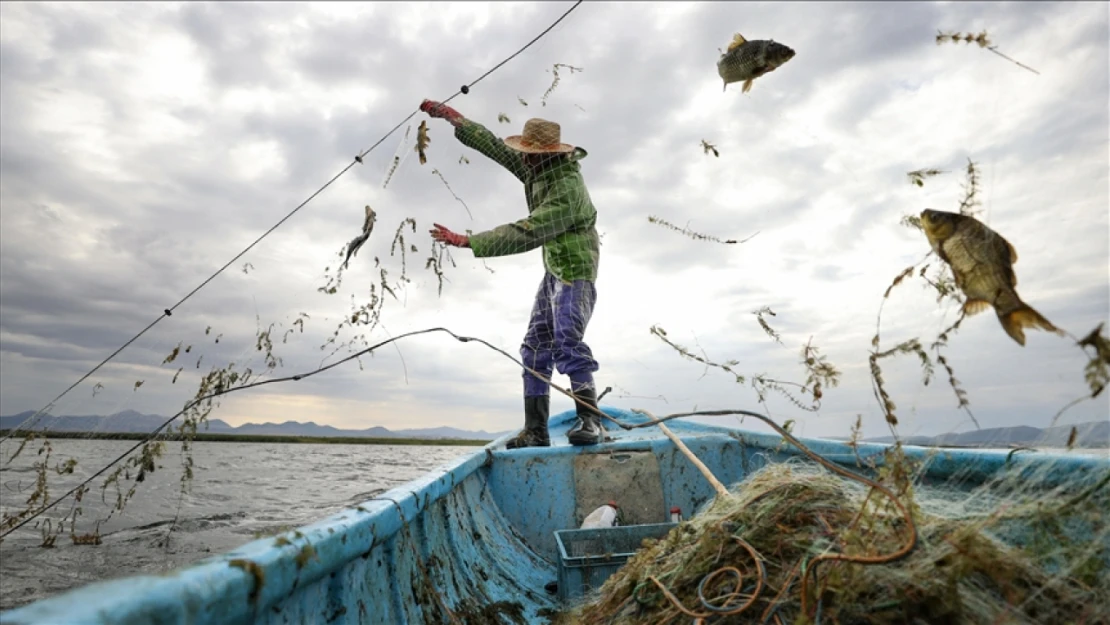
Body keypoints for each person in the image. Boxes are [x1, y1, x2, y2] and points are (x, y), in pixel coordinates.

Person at [419, 99, 603, 448]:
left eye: (530, 154)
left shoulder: (567, 190)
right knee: (535, 346)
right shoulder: (537, 169)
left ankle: (590, 420)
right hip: (554, 270)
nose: (524, 159)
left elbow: (528, 231)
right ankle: (536, 431)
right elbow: (493, 147)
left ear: (549, 155)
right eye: (525, 153)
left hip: (576, 270)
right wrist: (454, 118)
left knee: (567, 338)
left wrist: (467, 241)